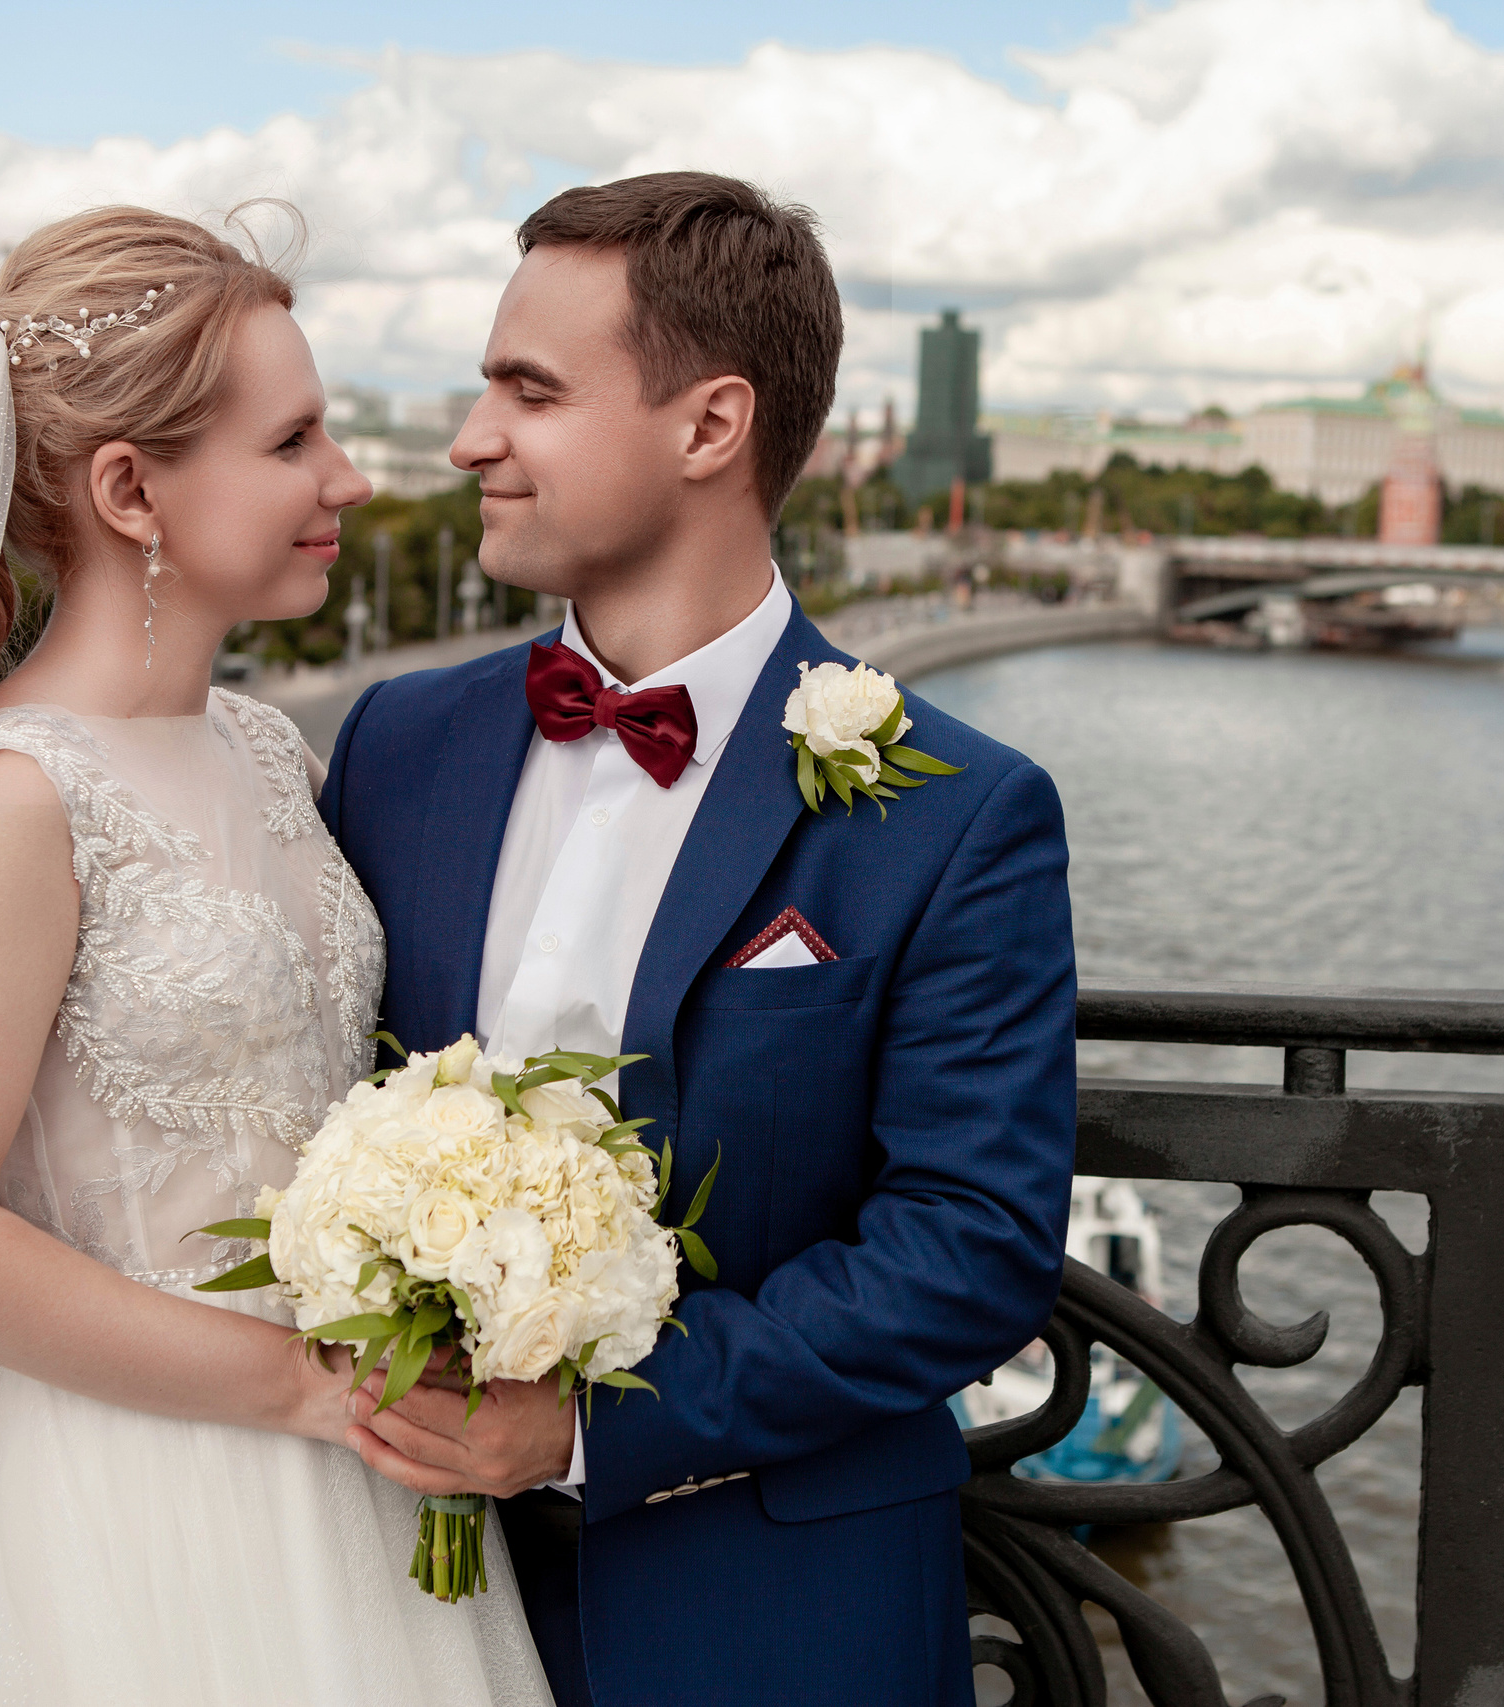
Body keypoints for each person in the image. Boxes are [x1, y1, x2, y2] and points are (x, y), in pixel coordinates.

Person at [0, 206, 550, 1705]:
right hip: (141, 1504)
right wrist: (299, 1387)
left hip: (361, 1473)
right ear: (130, 488)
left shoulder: (266, 748)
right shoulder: (14, 802)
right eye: (294, 441)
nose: (347, 481)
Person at [318, 172, 1077, 1707]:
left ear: (710, 426)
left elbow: (970, 1245)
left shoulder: (961, 812)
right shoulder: (397, 743)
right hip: (376, 1591)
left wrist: (593, 1424)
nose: (472, 440)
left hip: (771, 1617)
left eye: (528, 390)